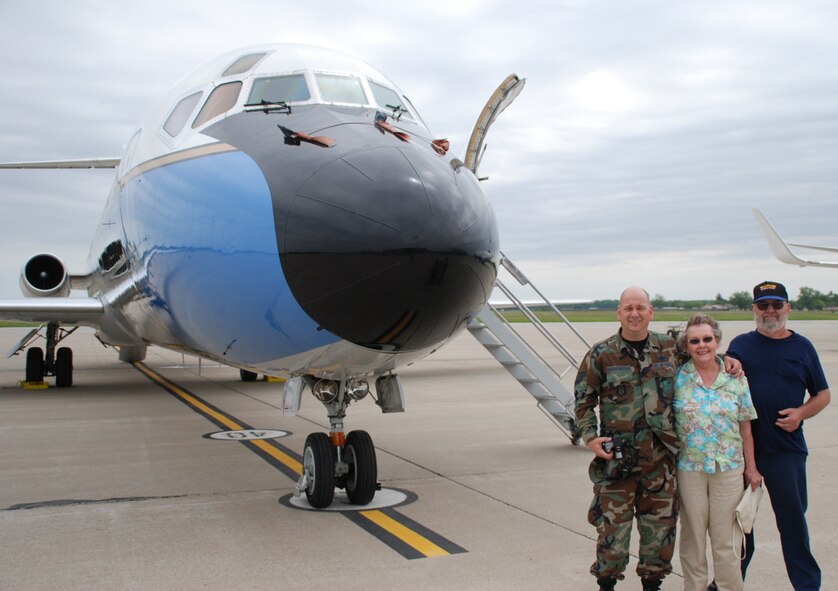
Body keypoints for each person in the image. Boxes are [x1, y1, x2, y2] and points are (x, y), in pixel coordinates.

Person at [574, 287, 741, 591]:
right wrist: (590, 437)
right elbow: (583, 401)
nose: (634, 314)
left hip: (660, 464)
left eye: (641, 308)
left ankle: (652, 585)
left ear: (651, 312)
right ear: (619, 313)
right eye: (628, 308)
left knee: (658, 538)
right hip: (617, 464)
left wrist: (730, 360)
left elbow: (702, 354)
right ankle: (606, 585)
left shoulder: (669, 348)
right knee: (612, 537)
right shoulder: (601, 354)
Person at [726, 281, 830, 591]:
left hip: (787, 451)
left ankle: (807, 586)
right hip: (744, 452)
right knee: (739, 528)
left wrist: (801, 413)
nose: (770, 311)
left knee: (793, 526)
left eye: (776, 304)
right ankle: (727, 584)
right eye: (763, 305)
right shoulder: (740, 345)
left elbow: (822, 394)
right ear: (753, 309)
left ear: (787, 307)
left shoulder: (802, 347)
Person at [673, 314, 760, 591]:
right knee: (693, 540)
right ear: (686, 346)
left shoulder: (736, 377)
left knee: (727, 542)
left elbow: (745, 425)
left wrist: (751, 467)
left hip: (729, 468)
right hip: (690, 470)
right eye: (694, 341)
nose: (701, 346)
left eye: (707, 339)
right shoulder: (677, 378)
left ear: (718, 341)